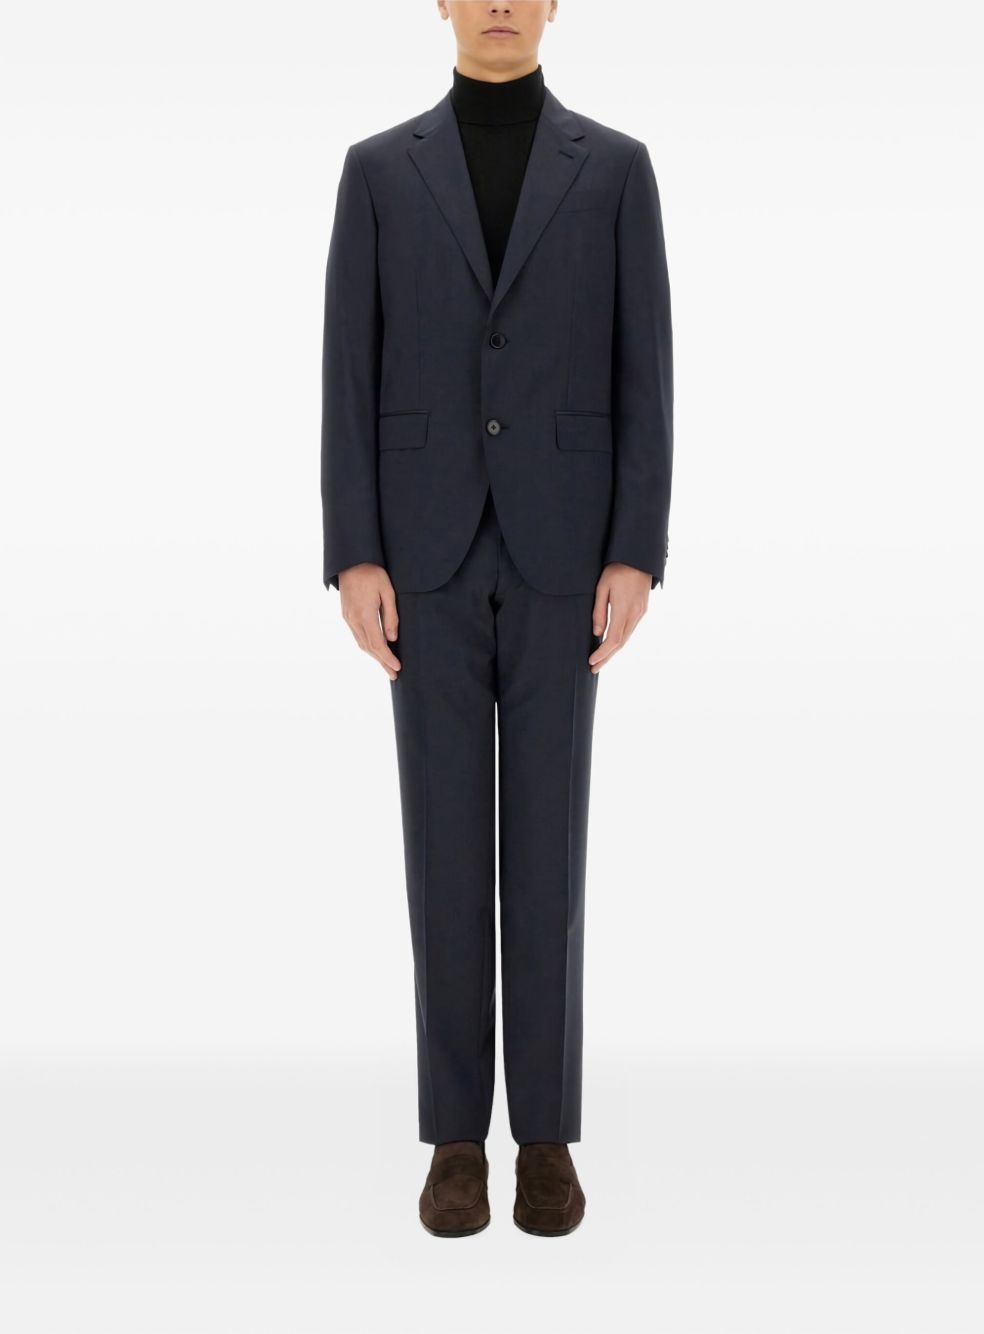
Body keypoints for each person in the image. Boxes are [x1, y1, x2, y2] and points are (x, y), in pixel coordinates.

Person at [320, 0, 673, 1237]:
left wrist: (636, 548)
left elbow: (645, 369)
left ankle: (548, 1137)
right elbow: (347, 369)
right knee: (444, 852)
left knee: (548, 853)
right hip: (420, 552)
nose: (502, 4)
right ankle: (456, 1140)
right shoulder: (377, 172)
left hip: (565, 553)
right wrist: (353, 550)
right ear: (443, 2)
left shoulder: (615, 170)